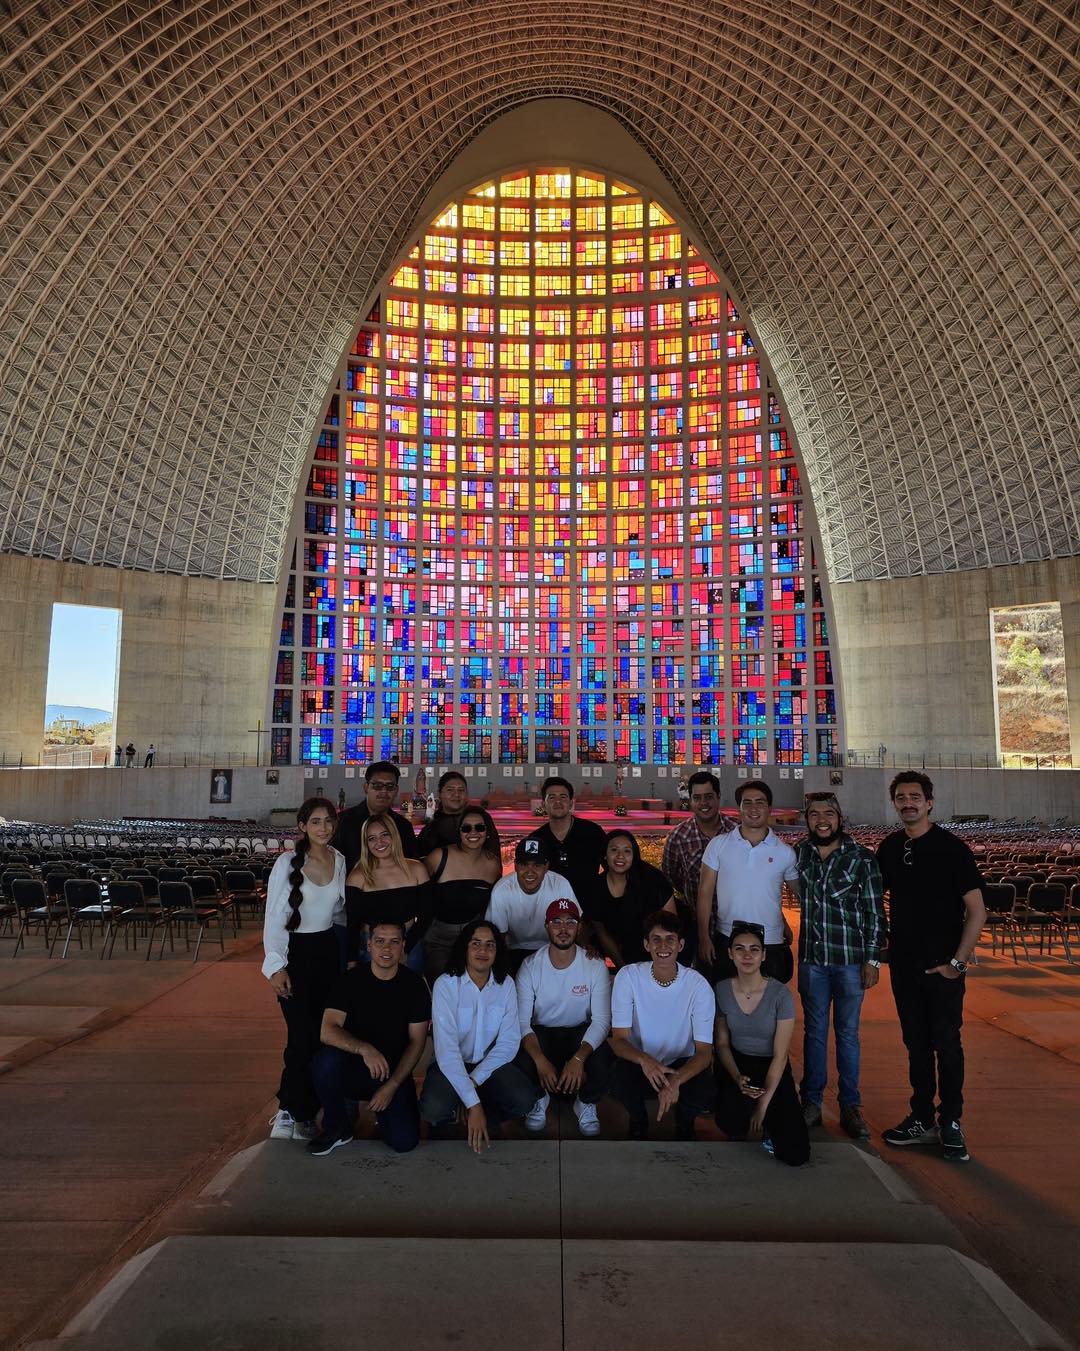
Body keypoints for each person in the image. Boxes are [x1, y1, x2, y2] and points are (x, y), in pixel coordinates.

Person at [876, 772, 986, 1163]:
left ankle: (951, 1121)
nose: (908, 802)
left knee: (948, 1045)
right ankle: (922, 1118)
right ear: (895, 803)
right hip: (905, 967)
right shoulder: (889, 848)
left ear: (929, 803)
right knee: (916, 1046)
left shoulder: (952, 849)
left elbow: (977, 911)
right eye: (901, 797)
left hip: (943, 968)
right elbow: (872, 900)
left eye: (915, 797)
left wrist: (957, 963)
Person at [795, 792, 886, 1139]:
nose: (821, 820)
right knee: (814, 1033)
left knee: (848, 1035)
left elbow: (875, 913)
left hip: (849, 962)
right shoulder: (799, 854)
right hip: (812, 961)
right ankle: (812, 1103)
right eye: (814, 814)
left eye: (828, 814)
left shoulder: (862, 858)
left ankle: (850, 1105)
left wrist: (873, 959)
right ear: (806, 819)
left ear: (839, 818)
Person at [308, 919, 431, 1156]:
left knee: (404, 1142)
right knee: (324, 1062)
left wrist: (392, 1086)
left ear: (404, 945)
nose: (387, 949)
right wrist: (365, 1049)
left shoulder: (415, 986)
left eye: (394, 942)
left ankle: (386, 1112)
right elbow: (327, 1030)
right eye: (380, 941)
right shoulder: (349, 981)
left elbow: (417, 1042)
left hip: (392, 1072)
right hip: (355, 1067)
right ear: (369, 946)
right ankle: (337, 1127)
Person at [262, 797, 346, 1142]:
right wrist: (276, 966)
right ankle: (289, 1109)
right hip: (296, 953)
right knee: (300, 1037)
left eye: (328, 821)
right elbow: (274, 919)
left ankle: (306, 1110)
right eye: (315, 822)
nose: (323, 828)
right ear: (302, 826)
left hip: (328, 953)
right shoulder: (286, 863)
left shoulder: (340, 861)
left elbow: (340, 912)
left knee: (323, 1036)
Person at [419, 918, 535, 1152]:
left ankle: (483, 1113)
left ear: (497, 951)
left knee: (525, 1100)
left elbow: (509, 1043)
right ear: (465, 948)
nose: (483, 950)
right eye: (476, 944)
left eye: (490, 945)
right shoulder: (446, 985)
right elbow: (447, 1051)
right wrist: (472, 1101)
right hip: (449, 1064)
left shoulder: (506, 985)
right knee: (433, 1109)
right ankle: (453, 1115)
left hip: (490, 1064)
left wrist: (471, 1087)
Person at [610, 910, 716, 1139]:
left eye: (670, 939)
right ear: (646, 945)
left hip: (680, 1065)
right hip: (643, 1062)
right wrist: (646, 1062)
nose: (663, 946)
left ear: (681, 945)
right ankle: (638, 1121)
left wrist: (675, 1080)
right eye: (656, 939)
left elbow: (705, 1053)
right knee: (618, 1076)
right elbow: (618, 1041)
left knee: (705, 1085)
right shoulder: (628, 977)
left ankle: (685, 1122)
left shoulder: (698, 986)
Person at [516, 898, 615, 1137]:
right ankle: (539, 1098)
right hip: (543, 1035)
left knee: (607, 1059)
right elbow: (520, 1021)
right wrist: (539, 1060)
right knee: (516, 1057)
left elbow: (602, 1020)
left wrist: (579, 1059)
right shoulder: (530, 966)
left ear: (579, 928)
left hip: (579, 1033)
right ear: (547, 926)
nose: (563, 928)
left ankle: (585, 1101)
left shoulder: (594, 965)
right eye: (556, 922)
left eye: (570, 922)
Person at [714, 922, 810, 1166]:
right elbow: (722, 1044)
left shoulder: (780, 995)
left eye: (754, 949)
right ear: (730, 953)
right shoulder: (722, 990)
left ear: (764, 955)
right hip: (738, 1063)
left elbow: (781, 1055)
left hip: (772, 1066)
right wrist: (736, 1077)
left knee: (796, 1154)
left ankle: (768, 1121)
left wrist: (763, 1106)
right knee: (731, 1123)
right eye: (740, 949)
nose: (747, 955)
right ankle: (744, 1110)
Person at [697, 779, 799, 982]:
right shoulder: (718, 845)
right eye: (747, 802)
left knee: (768, 1007)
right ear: (739, 809)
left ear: (769, 808)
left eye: (760, 802)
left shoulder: (785, 853)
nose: (754, 808)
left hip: (770, 940)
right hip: (727, 936)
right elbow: (705, 894)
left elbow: (799, 894)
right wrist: (704, 938)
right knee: (725, 1005)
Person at [423, 806, 503, 982]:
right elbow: (418, 890)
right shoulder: (439, 856)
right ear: (459, 832)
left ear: (487, 831)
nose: (472, 832)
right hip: (439, 938)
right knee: (443, 986)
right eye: (466, 828)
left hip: (473, 940)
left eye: (479, 828)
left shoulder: (493, 865)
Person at [345, 814, 431, 972]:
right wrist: (351, 961)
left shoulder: (417, 869)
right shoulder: (357, 877)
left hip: (410, 944)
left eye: (385, 835)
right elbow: (352, 925)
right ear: (366, 844)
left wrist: (406, 948)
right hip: (371, 948)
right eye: (372, 838)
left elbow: (427, 915)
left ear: (394, 835)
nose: (379, 842)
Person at [662, 770, 730, 964]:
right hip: (696, 928)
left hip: (735, 927)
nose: (703, 803)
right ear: (690, 800)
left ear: (718, 797)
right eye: (697, 798)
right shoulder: (678, 837)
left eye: (709, 797)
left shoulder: (736, 832)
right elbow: (669, 879)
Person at [584, 829, 678, 968]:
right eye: (614, 850)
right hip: (625, 950)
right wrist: (623, 968)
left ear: (634, 855)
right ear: (605, 854)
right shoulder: (596, 888)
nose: (620, 856)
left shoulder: (651, 878)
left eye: (627, 851)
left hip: (659, 947)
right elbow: (603, 934)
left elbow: (671, 925)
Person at [487, 836, 578, 973]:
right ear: (516, 866)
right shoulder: (502, 889)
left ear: (546, 866)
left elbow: (576, 922)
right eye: (524, 864)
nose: (530, 871)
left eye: (537, 865)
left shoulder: (560, 884)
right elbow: (498, 937)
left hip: (552, 947)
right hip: (513, 949)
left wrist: (585, 948)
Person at [527, 776, 606, 900]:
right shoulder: (536, 839)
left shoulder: (593, 832)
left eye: (563, 797)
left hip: (588, 908)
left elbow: (611, 870)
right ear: (543, 804)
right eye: (552, 797)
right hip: (549, 910)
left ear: (571, 803)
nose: (558, 802)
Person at [337, 762, 417, 870]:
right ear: (366, 787)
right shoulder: (342, 821)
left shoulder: (404, 826)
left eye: (390, 786)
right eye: (377, 786)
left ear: (396, 790)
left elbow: (409, 863)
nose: (384, 791)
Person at [416, 770, 470, 856]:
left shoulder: (480, 824)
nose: (456, 794)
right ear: (439, 794)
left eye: (461, 790)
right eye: (450, 790)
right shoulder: (429, 831)